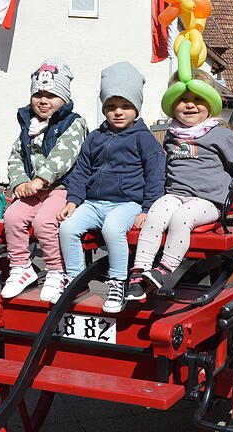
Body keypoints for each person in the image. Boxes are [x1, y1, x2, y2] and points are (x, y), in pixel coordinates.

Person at [128, 70, 233, 302]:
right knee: (155, 216)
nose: (190, 106)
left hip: (209, 200)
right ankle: (139, 272)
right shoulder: (172, 134)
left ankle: (165, 270)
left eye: (198, 100)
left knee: (181, 219)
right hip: (176, 194)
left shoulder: (219, 133)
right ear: (172, 104)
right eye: (183, 100)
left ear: (210, 103)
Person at [58, 62, 165, 312]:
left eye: (126, 106)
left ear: (136, 108)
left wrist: (147, 209)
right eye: (111, 106)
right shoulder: (95, 137)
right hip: (94, 203)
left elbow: (155, 175)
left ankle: (117, 281)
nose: (118, 112)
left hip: (127, 204)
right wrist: (73, 200)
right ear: (104, 108)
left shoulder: (144, 138)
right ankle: (76, 280)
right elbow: (82, 170)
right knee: (67, 227)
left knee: (113, 229)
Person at [1, 58, 88, 299]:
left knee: (45, 222)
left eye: (51, 95)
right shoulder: (28, 125)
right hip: (33, 189)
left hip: (63, 188)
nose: (43, 100)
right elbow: (16, 156)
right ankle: (21, 267)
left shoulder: (73, 123)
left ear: (64, 98)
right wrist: (19, 183)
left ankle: (56, 270)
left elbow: (64, 156)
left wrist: (40, 180)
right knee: (12, 216)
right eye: (38, 94)